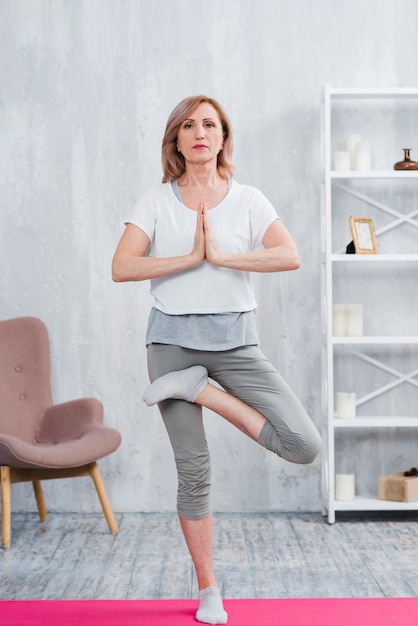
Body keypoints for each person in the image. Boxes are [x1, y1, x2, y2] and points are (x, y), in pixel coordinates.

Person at [112, 95, 322, 625]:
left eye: (210, 124)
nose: (199, 132)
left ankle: (199, 387)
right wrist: (190, 258)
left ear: (224, 138)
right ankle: (209, 590)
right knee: (195, 469)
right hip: (171, 345)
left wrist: (224, 256)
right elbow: (121, 267)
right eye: (188, 125)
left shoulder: (249, 200)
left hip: (235, 345)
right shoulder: (155, 201)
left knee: (302, 444)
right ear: (176, 141)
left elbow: (289, 254)